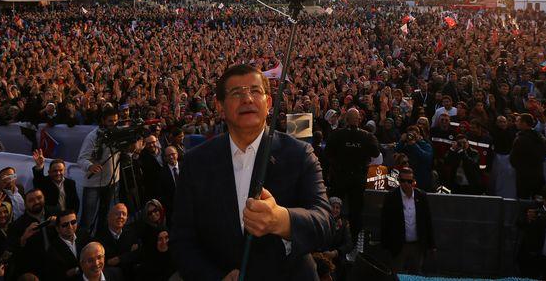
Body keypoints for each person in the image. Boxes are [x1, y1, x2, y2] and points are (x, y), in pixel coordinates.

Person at [171, 64, 332, 280]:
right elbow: (182, 239)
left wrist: (281, 220)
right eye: (236, 93)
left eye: (255, 91)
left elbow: (324, 223)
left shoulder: (299, 154)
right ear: (220, 106)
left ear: (269, 103)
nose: (247, 99)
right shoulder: (195, 163)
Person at [325, 107, 380, 241]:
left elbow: (327, 153)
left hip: (339, 177)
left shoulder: (337, 134)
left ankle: (330, 239)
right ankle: (354, 243)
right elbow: (376, 153)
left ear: (346, 120)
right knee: (356, 213)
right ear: (359, 120)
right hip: (357, 179)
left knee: (334, 209)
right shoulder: (367, 136)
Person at [380, 167, 435, 275]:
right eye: (403, 181)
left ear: (413, 181)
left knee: (415, 275)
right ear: (399, 181)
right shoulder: (391, 197)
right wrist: (386, 245)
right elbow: (385, 222)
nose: (406, 184)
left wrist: (431, 244)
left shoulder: (421, 196)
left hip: (417, 246)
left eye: (409, 181)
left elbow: (427, 221)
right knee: (396, 275)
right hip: (398, 246)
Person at [78, 106, 121, 234]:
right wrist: (90, 166)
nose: (113, 124)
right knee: (88, 219)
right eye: (110, 121)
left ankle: (100, 241)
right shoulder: (92, 137)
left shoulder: (118, 133)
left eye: (115, 121)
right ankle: (83, 245)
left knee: (105, 217)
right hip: (93, 185)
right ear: (103, 121)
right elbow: (81, 159)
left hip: (112, 182)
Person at [7, 189, 55, 278]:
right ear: (25, 205)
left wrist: (59, 224)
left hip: (57, 266)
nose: (36, 202)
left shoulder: (55, 213)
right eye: (31, 200)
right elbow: (12, 252)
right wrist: (24, 237)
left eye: (39, 198)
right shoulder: (16, 225)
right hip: (34, 271)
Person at [93, 203, 140, 278]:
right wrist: (128, 254)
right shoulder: (99, 236)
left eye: (124, 214)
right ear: (109, 217)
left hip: (129, 273)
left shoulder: (131, 232)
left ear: (127, 218)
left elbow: (137, 253)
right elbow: (105, 262)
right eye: (117, 214)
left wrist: (119, 259)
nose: (121, 216)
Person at [509, 114, 546, 199]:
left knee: (523, 202)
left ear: (524, 123)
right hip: (538, 175)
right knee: (538, 201)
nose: (516, 123)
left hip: (524, 177)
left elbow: (513, 158)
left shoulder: (520, 139)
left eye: (518, 121)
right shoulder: (541, 138)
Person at [32, 149, 80, 215]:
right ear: (49, 172)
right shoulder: (44, 182)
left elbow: (75, 202)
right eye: (55, 171)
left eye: (61, 170)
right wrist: (39, 166)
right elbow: (38, 180)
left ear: (65, 171)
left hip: (67, 217)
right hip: (50, 219)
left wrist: (73, 215)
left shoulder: (70, 183)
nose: (58, 173)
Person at [47, 209, 90, 280]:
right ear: (57, 229)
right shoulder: (53, 250)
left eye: (73, 222)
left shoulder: (84, 236)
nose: (70, 227)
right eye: (65, 225)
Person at [395, 125, 434, 192]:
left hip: (421, 178)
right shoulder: (405, 145)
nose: (411, 137)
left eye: (414, 135)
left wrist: (414, 145)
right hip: (406, 178)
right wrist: (401, 141)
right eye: (409, 134)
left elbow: (427, 158)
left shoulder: (425, 145)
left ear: (418, 135)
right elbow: (396, 151)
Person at [158, 146, 180, 224]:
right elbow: (163, 194)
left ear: (177, 154)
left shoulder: (185, 167)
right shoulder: (162, 173)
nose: (171, 157)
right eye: (168, 155)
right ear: (165, 158)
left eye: (173, 154)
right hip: (173, 211)